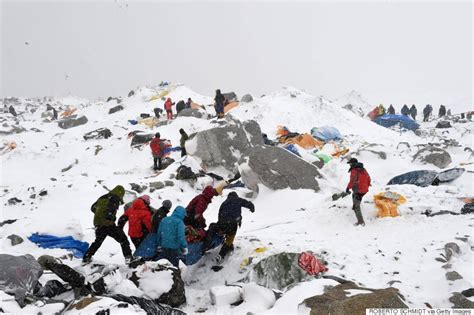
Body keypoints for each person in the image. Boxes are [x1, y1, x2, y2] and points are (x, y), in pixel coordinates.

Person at [82, 185, 133, 264]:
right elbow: (111, 209)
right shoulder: (114, 198)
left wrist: (100, 214)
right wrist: (110, 218)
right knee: (123, 239)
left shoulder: (103, 197)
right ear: (120, 193)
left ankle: (86, 257)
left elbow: (93, 208)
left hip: (98, 223)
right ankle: (128, 258)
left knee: (98, 241)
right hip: (107, 223)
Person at [203, 192, 255, 263]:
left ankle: (207, 244)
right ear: (236, 196)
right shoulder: (238, 200)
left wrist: (221, 227)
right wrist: (252, 208)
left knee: (213, 227)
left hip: (222, 223)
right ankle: (221, 254)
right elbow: (248, 204)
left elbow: (219, 214)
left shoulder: (224, 203)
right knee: (230, 238)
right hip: (233, 224)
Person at [346, 158, 371, 226]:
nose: (349, 165)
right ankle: (354, 207)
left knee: (357, 205)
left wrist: (348, 188)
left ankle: (361, 221)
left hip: (358, 189)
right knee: (355, 196)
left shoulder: (354, 170)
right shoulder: (363, 169)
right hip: (364, 189)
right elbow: (368, 177)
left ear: (353, 163)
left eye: (350, 163)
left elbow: (352, 181)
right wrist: (367, 185)